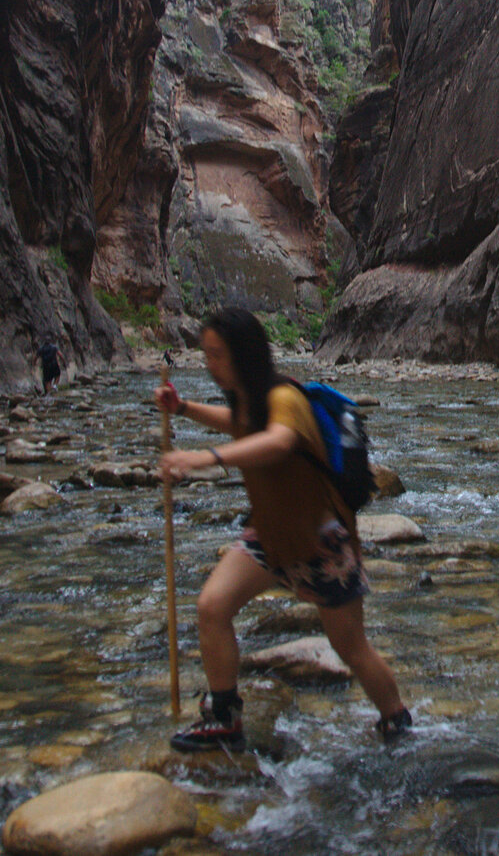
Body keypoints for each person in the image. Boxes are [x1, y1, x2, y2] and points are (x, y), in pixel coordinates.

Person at [155, 306, 411, 752]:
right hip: (270, 536)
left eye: (216, 355)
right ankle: (223, 718)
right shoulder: (248, 398)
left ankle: (398, 722)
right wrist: (184, 408)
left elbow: (280, 441)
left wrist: (206, 458)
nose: (209, 364)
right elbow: (239, 425)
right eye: (206, 354)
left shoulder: (284, 398)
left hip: (319, 541)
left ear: (243, 355)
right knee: (213, 607)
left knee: (351, 648)